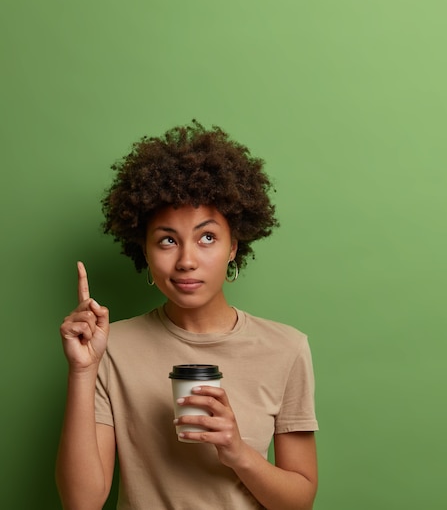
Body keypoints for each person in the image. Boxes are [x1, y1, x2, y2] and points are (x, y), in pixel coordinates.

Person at [56, 122, 318, 510]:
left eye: (207, 237)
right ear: (144, 251)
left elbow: (300, 501)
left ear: (234, 246)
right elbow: (82, 503)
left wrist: (237, 451)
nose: (187, 261)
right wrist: (82, 371)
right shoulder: (111, 348)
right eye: (167, 240)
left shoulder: (287, 348)